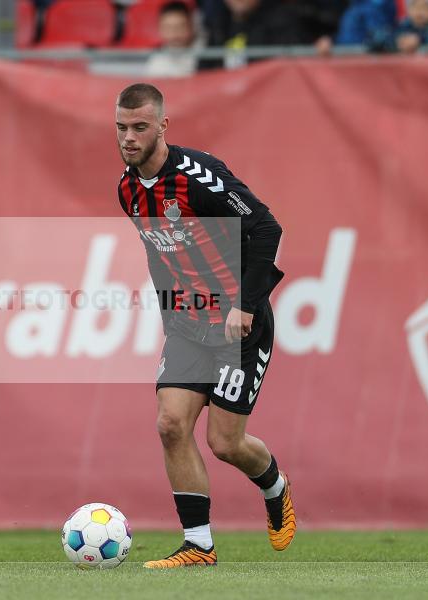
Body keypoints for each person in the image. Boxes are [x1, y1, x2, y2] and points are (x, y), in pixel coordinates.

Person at [115, 83, 294, 568]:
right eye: (122, 128)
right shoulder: (128, 190)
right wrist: (168, 308)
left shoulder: (198, 176)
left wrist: (246, 305)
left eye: (139, 128)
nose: (129, 138)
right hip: (188, 325)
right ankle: (199, 545)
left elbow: (265, 229)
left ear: (162, 127)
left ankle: (275, 487)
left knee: (225, 443)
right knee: (171, 424)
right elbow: (157, 251)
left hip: (239, 326)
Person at [145, 0, 198, 78]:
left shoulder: (205, 57)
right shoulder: (155, 62)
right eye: (168, 27)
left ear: (191, 26)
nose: (174, 34)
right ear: (160, 29)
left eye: (180, 27)